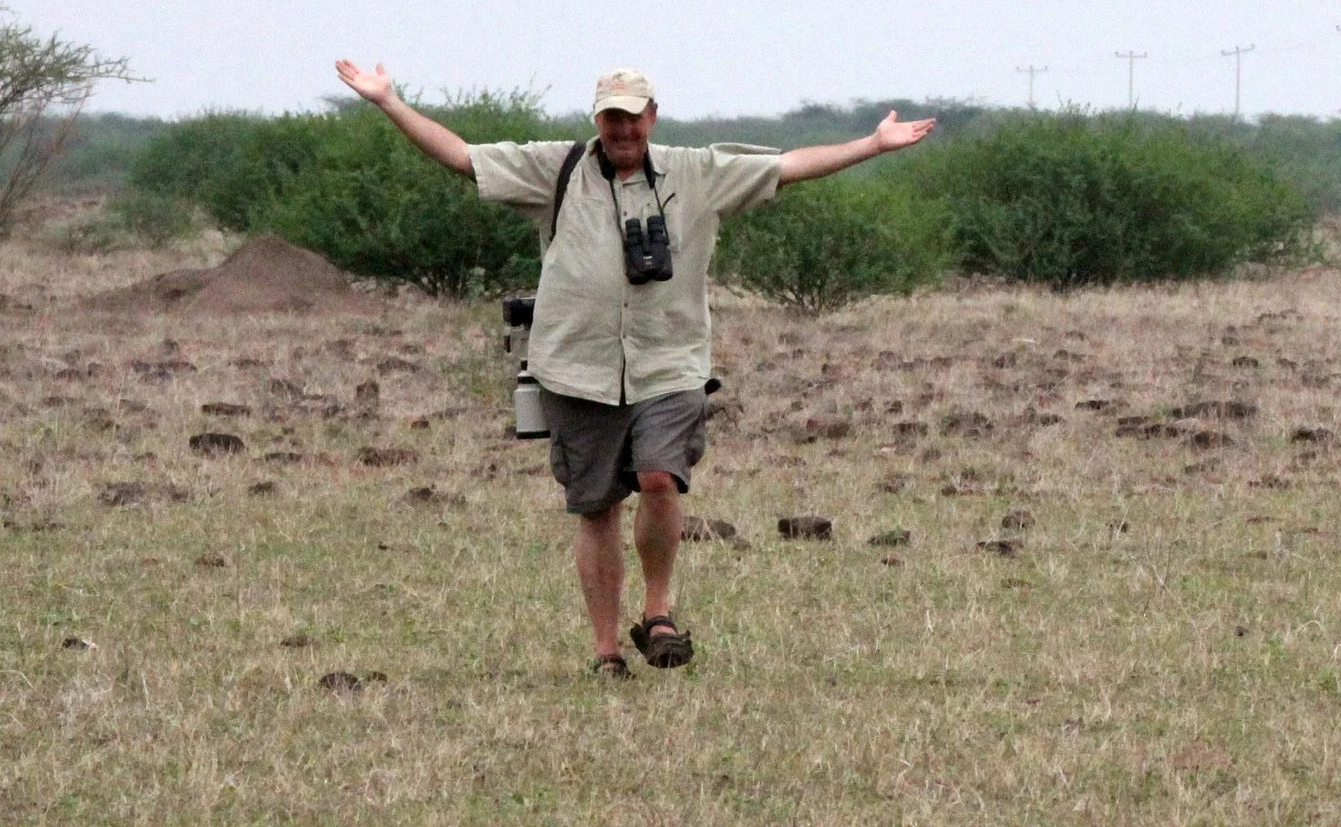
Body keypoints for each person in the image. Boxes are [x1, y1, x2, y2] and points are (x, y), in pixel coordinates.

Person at [333, 61, 935, 678]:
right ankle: (607, 652)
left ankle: (659, 612)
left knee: (659, 477)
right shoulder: (557, 169)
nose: (623, 129)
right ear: (598, 119)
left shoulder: (697, 172)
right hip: (577, 367)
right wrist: (389, 102)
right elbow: (463, 157)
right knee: (597, 508)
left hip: (669, 362)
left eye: (633, 116)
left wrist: (872, 145)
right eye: (612, 117)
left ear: (652, 116)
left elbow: (788, 166)